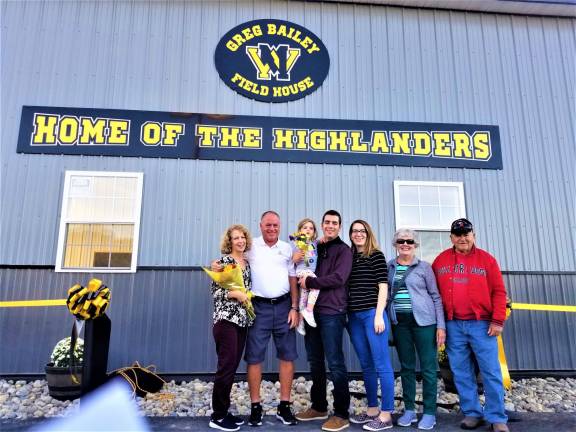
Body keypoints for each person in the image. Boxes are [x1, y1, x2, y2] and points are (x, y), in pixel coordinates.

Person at [432, 219, 509, 432]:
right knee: (461, 371)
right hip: (453, 325)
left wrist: (497, 320)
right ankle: (472, 412)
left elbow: (499, 292)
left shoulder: (487, 260)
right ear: (451, 238)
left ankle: (497, 417)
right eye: (458, 234)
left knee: (491, 371)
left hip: (482, 325)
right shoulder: (440, 261)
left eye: (466, 233)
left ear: (473, 235)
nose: (462, 238)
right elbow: (433, 293)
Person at [295, 210, 353, 432]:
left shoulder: (343, 250)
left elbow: (339, 278)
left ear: (339, 226)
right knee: (315, 361)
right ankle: (319, 406)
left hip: (332, 311)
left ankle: (341, 413)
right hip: (311, 312)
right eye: (327, 222)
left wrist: (311, 282)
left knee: (336, 363)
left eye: (334, 223)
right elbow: (302, 265)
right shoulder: (316, 247)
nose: (330, 225)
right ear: (322, 224)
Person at [244, 211, 299, 426]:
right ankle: (255, 406)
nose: (272, 229)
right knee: (254, 357)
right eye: (268, 225)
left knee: (287, 356)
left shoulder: (287, 249)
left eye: (275, 225)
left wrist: (294, 307)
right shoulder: (251, 247)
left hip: (285, 305)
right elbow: (233, 257)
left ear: (280, 226)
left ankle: (284, 406)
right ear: (260, 226)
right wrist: (218, 264)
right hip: (258, 307)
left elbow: (293, 277)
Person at [387, 229, 445, 430]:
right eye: (401, 241)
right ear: (395, 244)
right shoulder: (390, 267)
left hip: (424, 323)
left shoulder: (424, 268)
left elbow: (436, 297)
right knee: (406, 367)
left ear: (415, 244)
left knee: (428, 368)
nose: (405, 244)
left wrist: (441, 326)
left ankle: (429, 412)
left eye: (409, 241)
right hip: (400, 323)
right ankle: (410, 410)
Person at [346, 220, 395, 432]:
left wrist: (378, 315)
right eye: (354, 231)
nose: (358, 234)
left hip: (372, 316)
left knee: (382, 364)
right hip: (354, 317)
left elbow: (383, 287)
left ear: (368, 233)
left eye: (361, 231)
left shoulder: (375, 255)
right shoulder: (349, 257)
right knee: (366, 365)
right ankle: (373, 409)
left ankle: (386, 415)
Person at [209, 225, 254, 432]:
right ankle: (217, 416)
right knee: (225, 367)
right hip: (226, 320)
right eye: (235, 238)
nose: (240, 241)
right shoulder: (224, 262)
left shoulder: (246, 263)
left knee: (232, 367)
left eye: (242, 237)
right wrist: (235, 295)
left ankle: (224, 410)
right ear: (230, 241)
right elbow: (216, 293)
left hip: (242, 321)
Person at [291, 218, 320, 335]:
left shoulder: (315, 243)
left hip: (308, 273)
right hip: (303, 271)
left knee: (303, 298)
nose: (308, 230)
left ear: (314, 232)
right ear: (300, 230)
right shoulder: (298, 242)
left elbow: (320, 241)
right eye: (305, 227)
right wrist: (296, 256)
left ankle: (301, 323)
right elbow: (292, 259)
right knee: (316, 285)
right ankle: (309, 310)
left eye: (311, 228)